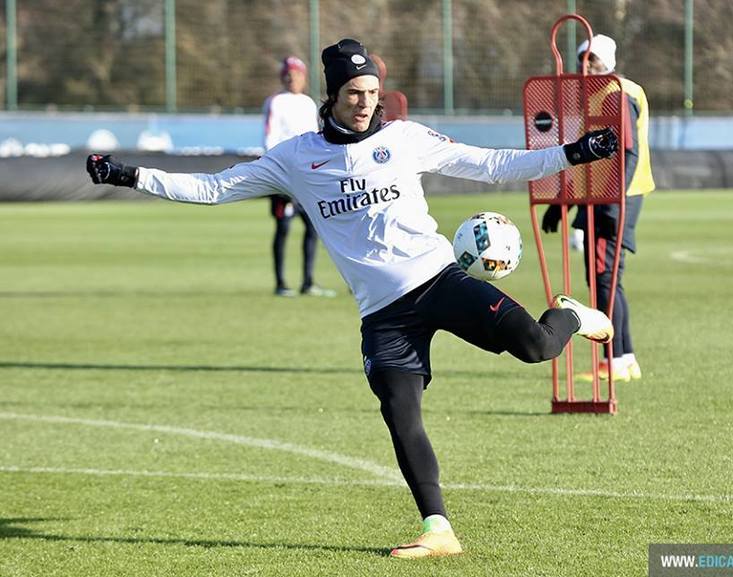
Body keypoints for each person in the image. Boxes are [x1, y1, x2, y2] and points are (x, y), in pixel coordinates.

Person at [87, 38, 618, 559]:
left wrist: (571, 153)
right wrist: (130, 176)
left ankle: (570, 314)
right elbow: (215, 188)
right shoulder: (295, 159)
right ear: (332, 95)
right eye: (354, 94)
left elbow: (493, 164)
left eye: (372, 93)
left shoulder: (406, 138)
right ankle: (439, 529)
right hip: (383, 314)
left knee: (537, 347)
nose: (365, 104)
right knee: (401, 413)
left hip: (439, 281)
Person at [541, 34, 655, 383]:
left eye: (593, 59)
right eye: (582, 59)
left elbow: (628, 153)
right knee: (606, 281)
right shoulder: (594, 95)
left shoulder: (617, 94)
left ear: (609, 62)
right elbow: (588, 157)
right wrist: (563, 202)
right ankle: (626, 357)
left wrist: (613, 196)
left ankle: (614, 361)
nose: (586, 65)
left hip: (615, 199)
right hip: (601, 195)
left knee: (604, 280)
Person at [263, 55, 335, 297]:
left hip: (307, 176)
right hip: (283, 174)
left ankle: (307, 281)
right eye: (288, 73)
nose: (292, 78)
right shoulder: (275, 102)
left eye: (296, 74)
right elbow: (270, 138)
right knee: (283, 226)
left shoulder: (308, 104)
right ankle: (281, 282)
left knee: (312, 226)